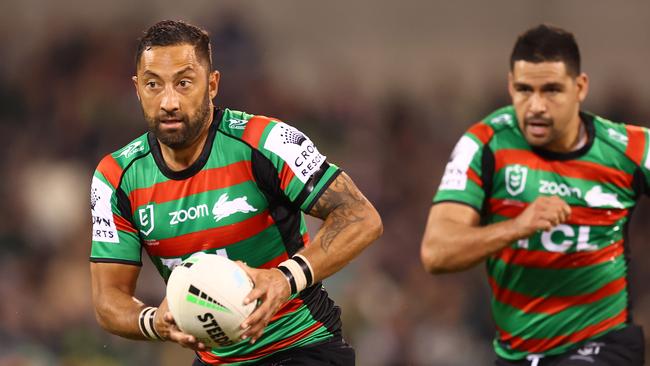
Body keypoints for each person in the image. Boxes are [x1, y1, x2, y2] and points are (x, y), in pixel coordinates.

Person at [89, 20, 382, 366]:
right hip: (214, 360)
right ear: (138, 89)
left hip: (302, 346)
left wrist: (285, 279)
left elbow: (361, 218)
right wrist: (154, 322)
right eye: (154, 85)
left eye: (184, 83)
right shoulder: (115, 178)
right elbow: (108, 299)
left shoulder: (266, 142)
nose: (168, 101)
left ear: (212, 85)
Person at [420, 24, 647, 366]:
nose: (536, 106)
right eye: (524, 90)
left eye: (551, 90)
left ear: (580, 87)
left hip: (603, 343)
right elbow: (436, 252)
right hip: (516, 353)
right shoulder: (485, 144)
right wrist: (517, 226)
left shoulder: (630, 148)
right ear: (510, 86)